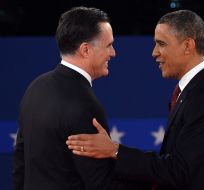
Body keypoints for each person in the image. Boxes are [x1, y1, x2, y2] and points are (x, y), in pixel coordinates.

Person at [66, 10, 204, 190]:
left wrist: (114, 150)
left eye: (161, 44)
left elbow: (178, 170)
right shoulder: (196, 89)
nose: (154, 53)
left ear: (188, 46)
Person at [13, 6, 141, 190]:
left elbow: (20, 164)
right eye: (109, 45)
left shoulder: (36, 86)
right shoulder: (85, 105)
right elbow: (100, 184)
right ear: (86, 50)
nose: (113, 53)